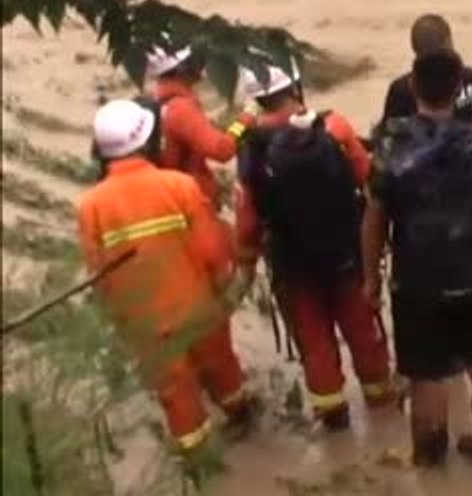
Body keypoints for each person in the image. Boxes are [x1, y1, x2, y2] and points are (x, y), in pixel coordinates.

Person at [77, 99, 256, 467]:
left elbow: (99, 273)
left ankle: (201, 464)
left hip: (145, 323)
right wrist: (228, 287)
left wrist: (118, 318)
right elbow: (212, 252)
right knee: (223, 368)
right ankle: (241, 418)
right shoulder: (180, 186)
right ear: (147, 140)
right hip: (200, 310)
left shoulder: (90, 206)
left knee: (176, 393)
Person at [363, 49, 472, 472]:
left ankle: (429, 456)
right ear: (458, 90)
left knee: (427, 372)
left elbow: (374, 218)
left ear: (412, 86)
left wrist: (370, 276)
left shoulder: (391, 143)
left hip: (417, 280)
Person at [235, 62, 395, 431]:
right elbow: (371, 182)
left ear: (257, 99)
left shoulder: (251, 147)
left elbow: (247, 219)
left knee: (313, 339)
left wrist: (245, 260)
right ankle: (382, 406)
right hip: (346, 254)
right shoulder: (334, 126)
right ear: (295, 87)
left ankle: (333, 417)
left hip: (292, 264)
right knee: (361, 328)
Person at [146, 45, 255, 208]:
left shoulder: (159, 103)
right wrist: (244, 121)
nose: (201, 64)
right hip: (190, 200)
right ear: (182, 69)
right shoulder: (181, 108)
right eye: (195, 60)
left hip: (171, 196)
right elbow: (222, 150)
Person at [378, 13, 472, 128]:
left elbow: (388, 132)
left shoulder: (401, 89)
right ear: (448, 43)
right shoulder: (470, 80)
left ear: (413, 48)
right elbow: (468, 122)